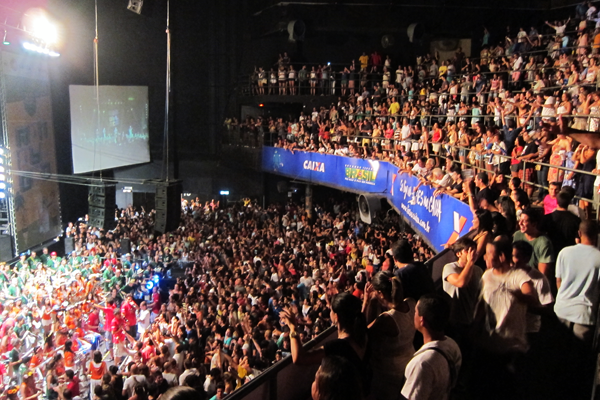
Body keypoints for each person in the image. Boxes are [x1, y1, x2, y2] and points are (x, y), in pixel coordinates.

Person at [280, 292, 370, 396]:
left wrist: (293, 328)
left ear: (336, 317)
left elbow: (300, 358)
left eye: (331, 310)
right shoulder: (363, 333)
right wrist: (365, 303)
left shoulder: (337, 346)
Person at [363, 271, 416, 400]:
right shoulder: (411, 303)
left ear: (380, 294)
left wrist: (367, 301)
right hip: (410, 361)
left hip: (388, 373)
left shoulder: (387, 320)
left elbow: (363, 333)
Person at [400, 294, 462, 400]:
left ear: (422, 320)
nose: (413, 315)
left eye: (415, 312)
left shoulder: (422, 364)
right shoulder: (452, 345)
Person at [442, 239, 481, 342]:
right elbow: (460, 283)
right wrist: (470, 263)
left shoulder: (478, 270)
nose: (473, 254)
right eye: (469, 250)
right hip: (454, 321)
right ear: (458, 254)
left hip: (472, 320)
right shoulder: (450, 268)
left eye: (474, 250)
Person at [512, 208, 555, 280]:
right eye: (520, 220)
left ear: (534, 224)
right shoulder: (517, 235)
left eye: (524, 221)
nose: (520, 223)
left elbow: (542, 274)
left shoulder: (543, 242)